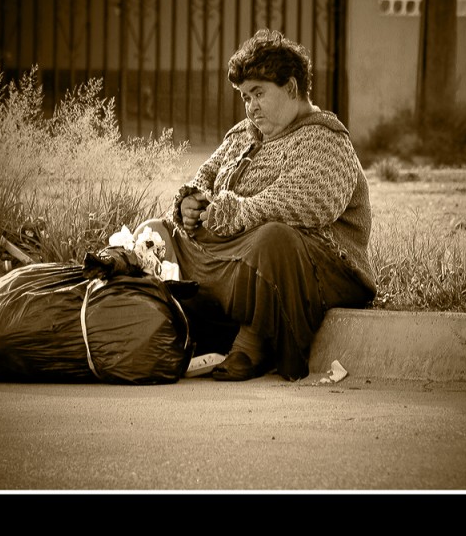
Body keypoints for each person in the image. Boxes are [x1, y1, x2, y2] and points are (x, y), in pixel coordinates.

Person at [137, 29, 376, 382]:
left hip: (315, 263)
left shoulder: (326, 139)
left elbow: (310, 203)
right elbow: (207, 173)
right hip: (237, 249)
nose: (251, 106)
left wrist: (232, 213)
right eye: (245, 97)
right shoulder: (243, 134)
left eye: (259, 94)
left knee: (273, 240)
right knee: (158, 233)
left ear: (292, 88)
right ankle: (178, 325)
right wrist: (192, 201)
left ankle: (254, 342)